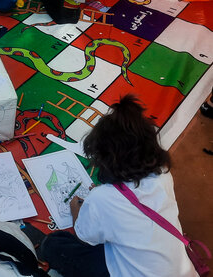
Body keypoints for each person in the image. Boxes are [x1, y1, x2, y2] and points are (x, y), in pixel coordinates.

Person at [39, 95, 198, 277]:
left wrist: (77, 210)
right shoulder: (162, 174)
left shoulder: (101, 199)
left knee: (53, 245)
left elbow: (84, 238)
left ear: (105, 160)